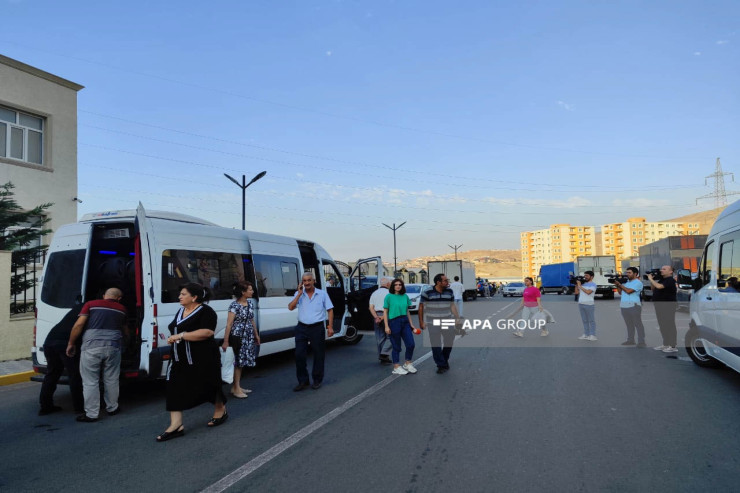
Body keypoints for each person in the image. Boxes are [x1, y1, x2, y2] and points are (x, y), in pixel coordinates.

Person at [156, 283, 227, 442]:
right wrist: (172, 337)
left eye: (183, 294)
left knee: (209, 384)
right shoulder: (181, 310)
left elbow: (207, 332)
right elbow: (176, 328)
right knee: (173, 387)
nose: (179, 297)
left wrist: (180, 336)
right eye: (180, 294)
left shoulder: (206, 312)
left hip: (202, 357)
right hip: (179, 358)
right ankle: (176, 425)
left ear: (194, 297)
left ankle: (220, 409)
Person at [66, 288, 128, 423]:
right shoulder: (122, 309)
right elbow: (125, 329)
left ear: (104, 295)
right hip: (113, 347)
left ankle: (92, 414)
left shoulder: (90, 304)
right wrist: (127, 342)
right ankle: (112, 408)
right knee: (111, 379)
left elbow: (79, 325)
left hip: (91, 347)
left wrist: (71, 343)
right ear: (119, 298)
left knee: (90, 381)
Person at [288, 272, 334, 391]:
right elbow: (290, 307)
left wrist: (330, 326)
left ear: (313, 281)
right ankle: (303, 381)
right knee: (299, 355)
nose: (307, 283)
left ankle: (317, 380)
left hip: (317, 328)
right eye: (304, 281)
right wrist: (298, 294)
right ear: (302, 283)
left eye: (309, 280)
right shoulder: (299, 294)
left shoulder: (322, 294)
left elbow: (330, 310)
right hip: (301, 328)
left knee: (318, 354)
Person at [39, 303, 84, 416]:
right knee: (74, 374)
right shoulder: (90, 310)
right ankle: (79, 407)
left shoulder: (77, 308)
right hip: (65, 343)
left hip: (50, 341)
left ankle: (45, 406)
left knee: (52, 374)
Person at [222, 281, 260, 398]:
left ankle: (236, 387)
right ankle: (236, 388)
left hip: (248, 336)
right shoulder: (234, 305)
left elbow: (251, 320)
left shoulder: (250, 304)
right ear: (243, 292)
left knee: (242, 362)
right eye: (250, 289)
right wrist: (226, 341)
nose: (252, 291)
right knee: (237, 362)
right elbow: (229, 324)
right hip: (237, 337)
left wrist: (256, 335)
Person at [418, 273, 460, 374]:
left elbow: (452, 305)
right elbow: (421, 307)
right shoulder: (427, 292)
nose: (447, 282)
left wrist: (457, 317)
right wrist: (421, 322)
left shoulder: (449, 291)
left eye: (447, 280)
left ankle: (444, 359)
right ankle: (441, 365)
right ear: (438, 282)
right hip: (433, 322)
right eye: (445, 281)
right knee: (435, 344)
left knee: (449, 340)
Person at [383, 279, 419, 375]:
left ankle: (407, 363)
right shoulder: (389, 297)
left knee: (411, 344)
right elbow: (385, 312)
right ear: (393, 286)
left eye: (400, 284)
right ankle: (396, 366)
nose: (398, 286)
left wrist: (411, 324)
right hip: (394, 322)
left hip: (405, 321)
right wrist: (386, 326)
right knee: (396, 346)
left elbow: (407, 311)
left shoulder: (405, 296)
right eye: (396, 285)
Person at [613, 267, 646, 347]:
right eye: (627, 272)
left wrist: (620, 284)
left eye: (629, 273)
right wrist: (618, 285)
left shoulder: (638, 282)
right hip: (624, 306)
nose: (627, 274)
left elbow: (628, 291)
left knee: (638, 324)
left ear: (635, 274)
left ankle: (641, 342)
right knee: (629, 324)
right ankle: (630, 340)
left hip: (634, 306)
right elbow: (620, 292)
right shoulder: (626, 282)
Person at [649, 265, 678, 353]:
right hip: (659, 305)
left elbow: (659, 287)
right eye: (661, 268)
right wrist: (652, 280)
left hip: (668, 306)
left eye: (664, 269)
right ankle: (665, 344)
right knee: (662, 325)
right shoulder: (662, 280)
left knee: (669, 325)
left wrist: (650, 279)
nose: (661, 270)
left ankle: (673, 346)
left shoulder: (670, 280)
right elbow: (653, 288)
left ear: (670, 272)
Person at [369, 277, 393, 364]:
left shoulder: (374, 293)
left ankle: (383, 357)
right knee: (391, 336)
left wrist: (376, 317)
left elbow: (371, 307)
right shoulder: (390, 293)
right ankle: (384, 354)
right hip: (386, 315)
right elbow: (391, 307)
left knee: (380, 337)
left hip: (376, 315)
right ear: (387, 284)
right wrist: (383, 317)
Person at [575, 271, 598, 341]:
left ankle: (593, 335)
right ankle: (586, 334)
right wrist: (576, 285)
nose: (585, 277)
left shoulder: (593, 285)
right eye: (585, 275)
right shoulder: (583, 284)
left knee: (591, 320)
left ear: (592, 277)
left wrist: (580, 286)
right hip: (581, 304)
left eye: (587, 276)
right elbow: (576, 292)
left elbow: (588, 292)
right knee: (584, 320)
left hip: (589, 304)